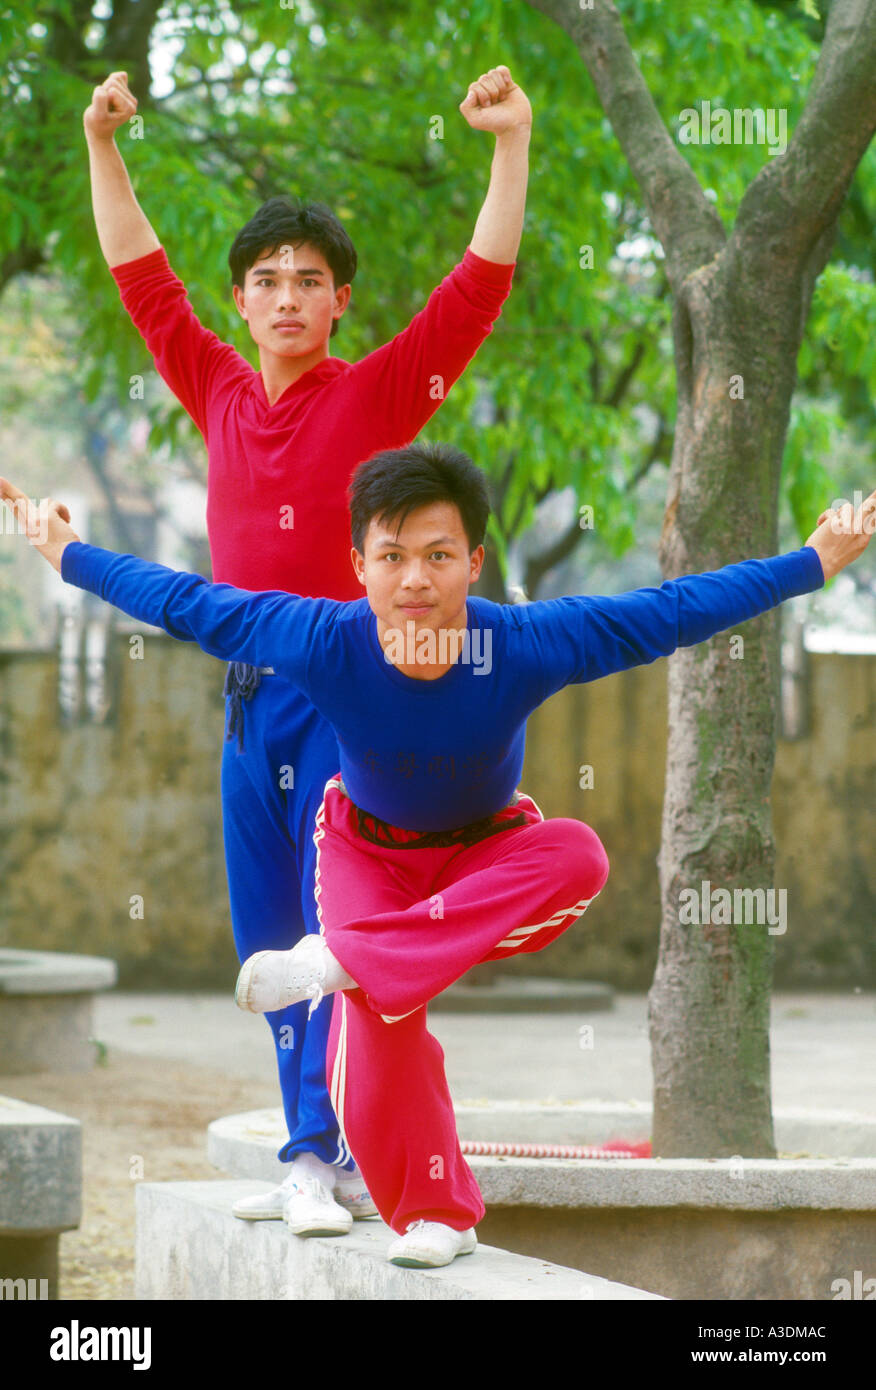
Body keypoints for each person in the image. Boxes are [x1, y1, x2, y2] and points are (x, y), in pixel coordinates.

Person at [4, 452, 872, 1267]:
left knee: (578, 853)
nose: (415, 579)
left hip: (481, 858)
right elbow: (185, 601)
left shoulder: (524, 644)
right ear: (359, 565)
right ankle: (435, 1213)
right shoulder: (317, 637)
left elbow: (669, 611)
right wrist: (66, 551)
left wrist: (811, 563)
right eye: (393, 557)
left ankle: (349, 959)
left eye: (438, 555)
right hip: (363, 857)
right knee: (383, 1025)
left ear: (474, 561)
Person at [82, 64, 531, 1233]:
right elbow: (142, 280)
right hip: (244, 705)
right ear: (243, 302)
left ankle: (385, 1165)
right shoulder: (220, 390)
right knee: (270, 938)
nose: (287, 296)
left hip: (346, 701)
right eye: (268, 280)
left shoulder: (377, 400)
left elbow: (474, 296)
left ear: (340, 304)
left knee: (345, 937)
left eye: (311, 282)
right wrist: (102, 144)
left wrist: (510, 146)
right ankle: (304, 1155)